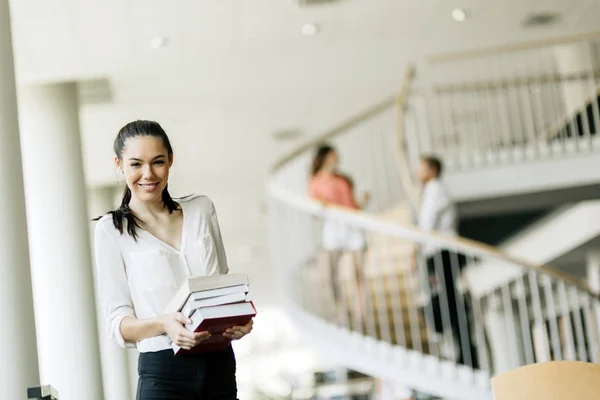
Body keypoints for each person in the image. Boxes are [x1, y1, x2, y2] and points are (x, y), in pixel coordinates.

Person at [94, 120, 253, 400]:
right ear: (119, 165)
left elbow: (222, 286)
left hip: (219, 363)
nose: (148, 174)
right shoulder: (111, 230)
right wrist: (164, 324)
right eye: (135, 164)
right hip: (163, 371)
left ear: (170, 160)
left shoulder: (201, 209)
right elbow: (118, 324)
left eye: (157, 162)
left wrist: (239, 321)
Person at [414, 155, 476, 368]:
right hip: (439, 252)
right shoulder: (432, 190)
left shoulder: (435, 189)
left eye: (421, 168)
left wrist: (416, 246)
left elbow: (427, 224)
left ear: (432, 170)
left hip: (443, 252)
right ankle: (462, 352)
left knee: (450, 299)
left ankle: (466, 354)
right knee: (448, 298)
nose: (417, 173)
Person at [308, 144, 369, 323]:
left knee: (358, 271)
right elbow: (314, 209)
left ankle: (361, 313)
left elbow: (353, 206)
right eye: (333, 156)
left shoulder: (343, 180)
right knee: (331, 273)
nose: (336, 159)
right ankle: (341, 311)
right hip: (334, 225)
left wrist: (363, 201)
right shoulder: (315, 181)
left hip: (352, 223)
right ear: (325, 157)